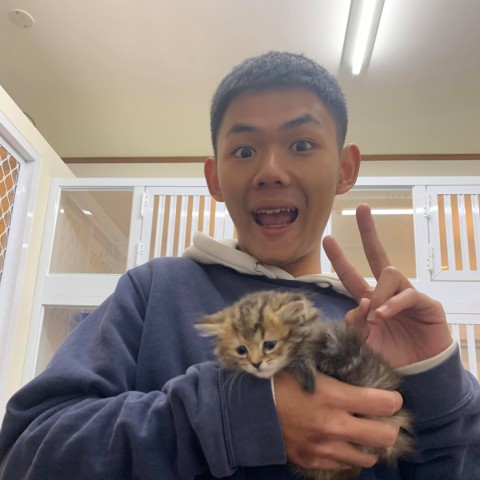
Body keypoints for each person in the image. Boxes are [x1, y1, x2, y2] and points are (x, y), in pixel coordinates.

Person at [0, 51, 479, 479]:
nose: (270, 171)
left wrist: (436, 383)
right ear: (214, 177)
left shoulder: (378, 325)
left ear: (345, 169)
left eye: (302, 144)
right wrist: (235, 415)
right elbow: (25, 453)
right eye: (244, 150)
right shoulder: (155, 290)